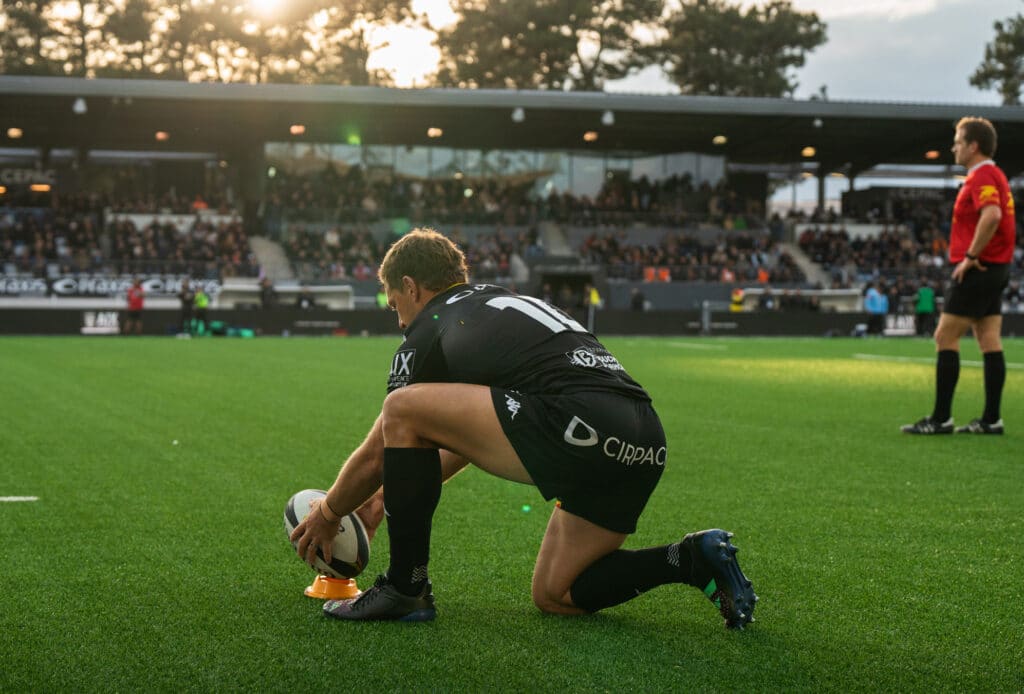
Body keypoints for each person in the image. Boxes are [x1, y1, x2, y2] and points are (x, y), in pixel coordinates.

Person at [289, 229, 756, 626]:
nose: (399, 320)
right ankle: (689, 559)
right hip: (644, 437)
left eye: (395, 305)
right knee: (556, 594)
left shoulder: (431, 325)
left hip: (576, 423)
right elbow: (468, 433)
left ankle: (406, 587)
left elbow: (384, 444)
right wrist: (375, 507)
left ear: (411, 287)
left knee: (401, 408)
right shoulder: (499, 301)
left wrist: (330, 514)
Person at [902, 117, 1015, 435]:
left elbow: (991, 215)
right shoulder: (995, 175)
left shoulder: (983, 175)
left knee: (944, 337)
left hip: (979, 269)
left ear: (973, 146)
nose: (954, 147)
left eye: (958, 141)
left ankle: (941, 419)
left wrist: (970, 257)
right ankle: (991, 419)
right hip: (996, 269)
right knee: (989, 339)